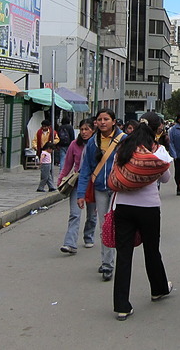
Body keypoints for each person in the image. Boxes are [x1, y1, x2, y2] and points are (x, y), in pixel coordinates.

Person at [109, 112, 173, 320]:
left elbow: (115, 171)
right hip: (149, 207)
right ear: (156, 130)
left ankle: (121, 305)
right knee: (152, 250)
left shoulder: (125, 148)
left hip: (124, 206)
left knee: (124, 255)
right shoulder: (158, 150)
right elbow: (166, 178)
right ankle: (158, 289)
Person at [76, 108, 125, 281]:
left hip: (119, 189)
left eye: (106, 119)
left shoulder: (124, 141)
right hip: (100, 189)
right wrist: (81, 194)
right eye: (99, 119)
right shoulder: (92, 143)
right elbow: (85, 170)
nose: (102, 122)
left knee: (117, 226)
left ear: (113, 121)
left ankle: (119, 261)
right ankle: (107, 264)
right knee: (105, 226)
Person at [58, 118, 96, 254]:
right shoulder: (74, 145)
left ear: (93, 130)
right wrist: (61, 180)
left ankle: (89, 235)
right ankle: (70, 243)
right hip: (77, 183)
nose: (84, 132)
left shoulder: (97, 145)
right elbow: (67, 165)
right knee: (74, 214)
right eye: (82, 129)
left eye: (87, 129)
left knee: (92, 215)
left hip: (93, 184)